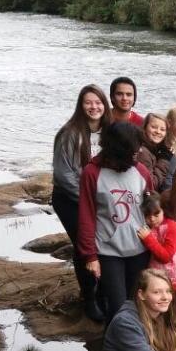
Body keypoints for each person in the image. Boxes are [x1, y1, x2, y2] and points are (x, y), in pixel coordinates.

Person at [77, 122, 153, 324]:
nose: (138, 154)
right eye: (133, 151)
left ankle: (137, 350)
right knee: (118, 309)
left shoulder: (142, 172)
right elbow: (86, 216)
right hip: (109, 252)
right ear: (118, 150)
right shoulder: (92, 173)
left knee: (139, 305)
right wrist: (89, 256)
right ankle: (114, 350)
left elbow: (153, 210)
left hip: (140, 250)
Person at [52, 84, 111, 322]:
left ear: (104, 105)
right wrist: (90, 200)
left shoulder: (109, 132)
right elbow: (64, 174)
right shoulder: (69, 133)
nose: (94, 107)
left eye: (98, 102)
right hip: (70, 199)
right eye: (88, 102)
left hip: (99, 200)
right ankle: (88, 298)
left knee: (105, 243)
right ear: (81, 105)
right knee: (84, 245)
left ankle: (104, 292)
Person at [138, 192, 176, 291]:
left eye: (156, 214)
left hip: (171, 279)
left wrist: (148, 239)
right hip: (154, 277)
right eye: (147, 215)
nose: (152, 219)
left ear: (163, 210)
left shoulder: (172, 226)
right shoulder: (149, 227)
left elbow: (166, 256)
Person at [135, 112, 172, 190]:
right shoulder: (143, 153)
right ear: (145, 127)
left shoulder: (156, 149)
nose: (158, 131)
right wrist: (164, 159)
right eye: (154, 127)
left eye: (162, 129)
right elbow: (151, 184)